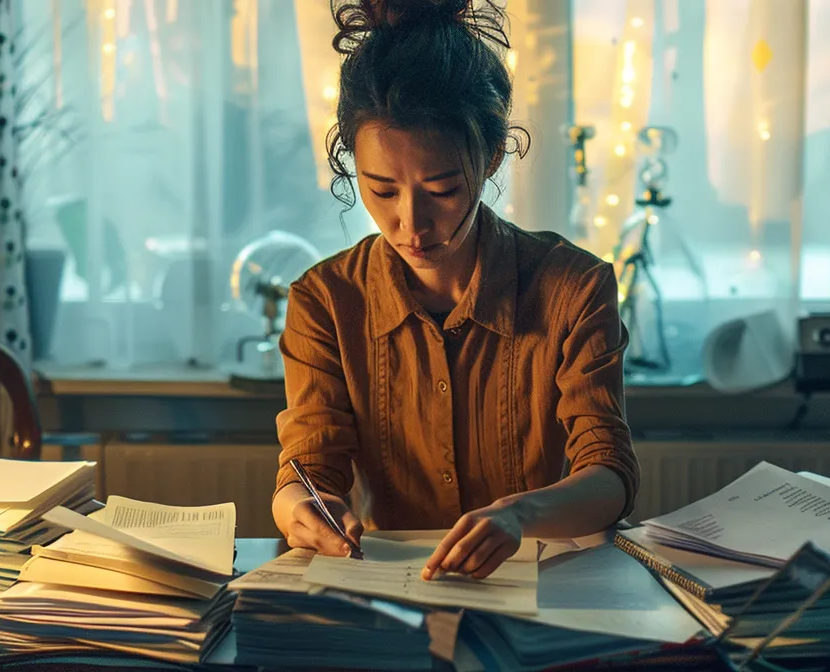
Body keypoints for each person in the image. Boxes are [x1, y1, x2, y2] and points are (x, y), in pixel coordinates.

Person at [272, 0, 639, 581]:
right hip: (388, 596)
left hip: (539, 589)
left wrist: (519, 514)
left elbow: (611, 474)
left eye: (442, 189)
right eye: (382, 191)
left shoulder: (573, 288)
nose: (412, 225)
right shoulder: (325, 301)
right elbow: (307, 470)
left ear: (491, 157)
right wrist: (304, 511)